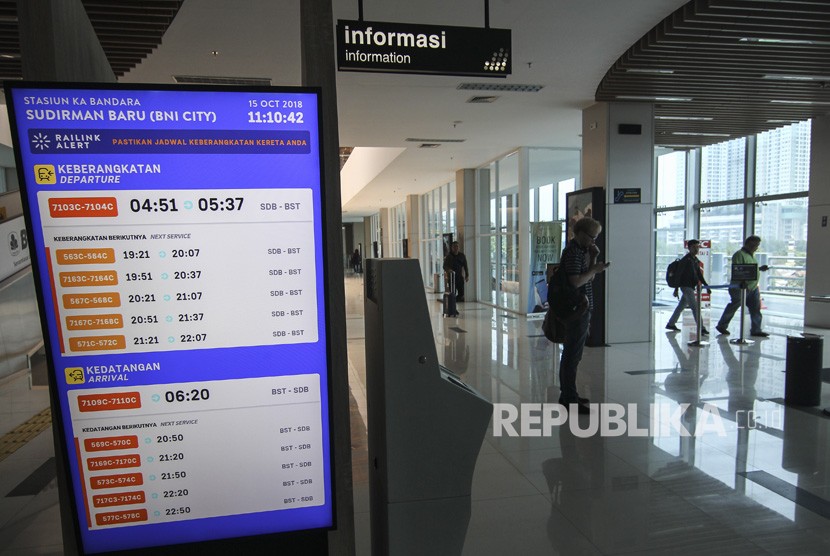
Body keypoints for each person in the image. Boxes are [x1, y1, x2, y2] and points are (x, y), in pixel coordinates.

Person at [556, 217, 609, 414]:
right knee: (571, 354)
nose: (593, 241)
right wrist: (594, 268)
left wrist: (594, 260)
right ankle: (568, 397)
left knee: (574, 354)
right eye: (591, 237)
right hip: (576, 308)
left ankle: (569, 394)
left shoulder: (581, 252)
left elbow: (588, 277)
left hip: (582, 307)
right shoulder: (573, 253)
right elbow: (575, 282)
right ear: (579, 233)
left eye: (595, 238)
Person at [716, 235, 770, 337]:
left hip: (752, 287)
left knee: (755, 309)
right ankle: (722, 325)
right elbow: (739, 270)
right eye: (755, 245)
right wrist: (742, 282)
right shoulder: (739, 255)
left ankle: (756, 329)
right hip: (740, 287)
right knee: (734, 306)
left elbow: (749, 270)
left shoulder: (751, 255)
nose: (757, 247)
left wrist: (759, 269)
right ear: (749, 244)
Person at [666, 239, 711, 334]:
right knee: (695, 307)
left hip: (690, 286)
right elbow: (678, 274)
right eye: (694, 247)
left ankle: (671, 323)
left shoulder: (694, 260)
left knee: (681, 306)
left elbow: (699, 274)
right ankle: (701, 328)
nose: (696, 249)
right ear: (689, 248)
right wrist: (676, 289)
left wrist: (706, 286)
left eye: (697, 247)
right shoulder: (685, 260)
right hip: (685, 286)